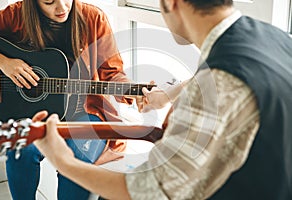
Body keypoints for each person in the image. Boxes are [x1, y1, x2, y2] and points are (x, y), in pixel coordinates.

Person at [34, 0, 292, 199]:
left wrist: (62, 160)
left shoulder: (219, 83)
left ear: (172, 3)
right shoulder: (270, 36)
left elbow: (149, 192)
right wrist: (167, 95)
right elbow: (224, 77)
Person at [0, 0, 138, 199]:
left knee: (79, 155)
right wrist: (3, 62)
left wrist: (131, 89)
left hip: (85, 111)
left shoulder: (93, 18)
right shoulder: (14, 15)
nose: (61, 8)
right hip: (32, 113)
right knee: (20, 149)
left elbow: (112, 73)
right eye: (49, 2)